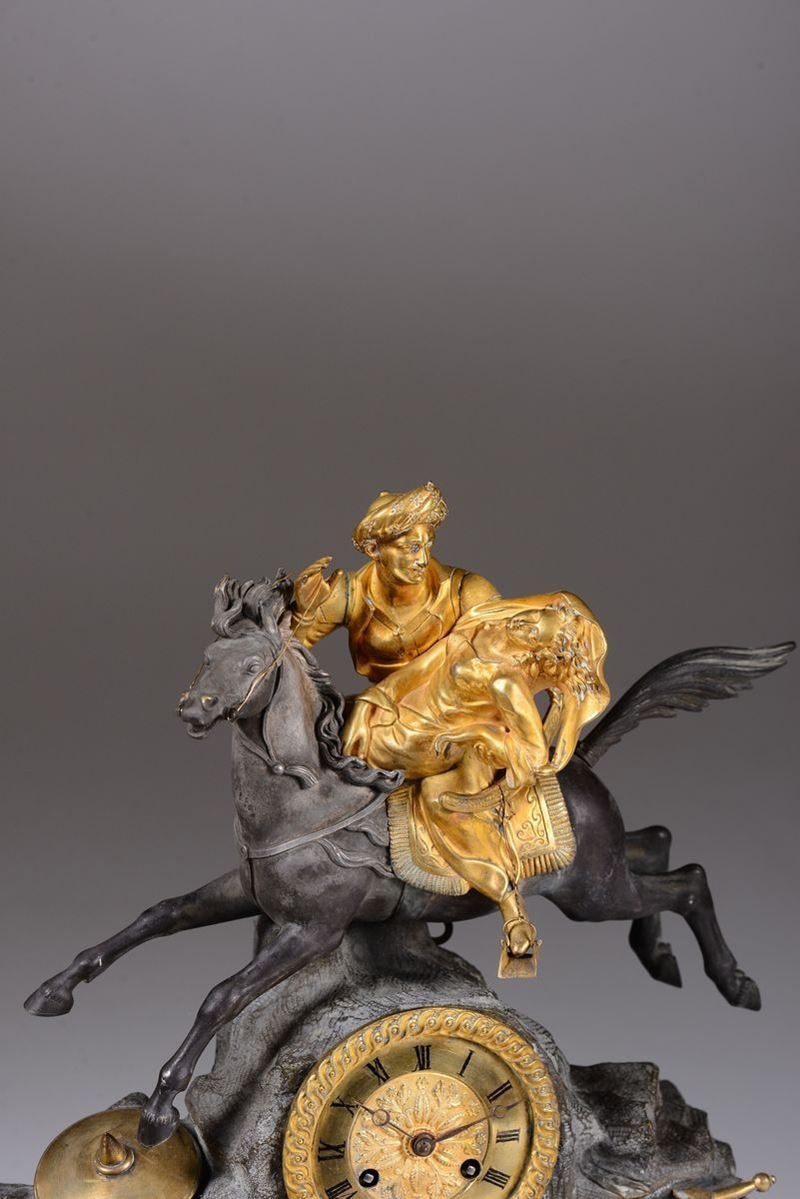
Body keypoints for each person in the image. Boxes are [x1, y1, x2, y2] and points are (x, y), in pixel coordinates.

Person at [292, 482, 499, 681]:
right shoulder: (349, 594)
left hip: (451, 702)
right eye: (412, 548)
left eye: (427, 545)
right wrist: (305, 613)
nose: (423, 560)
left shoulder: (465, 591)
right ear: (373, 550)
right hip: (381, 702)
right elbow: (287, 655)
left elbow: (506, 655)